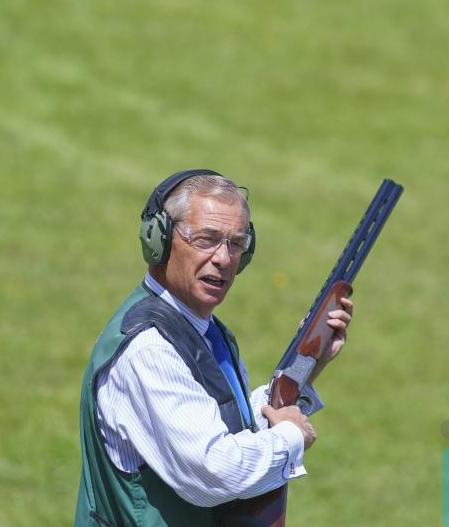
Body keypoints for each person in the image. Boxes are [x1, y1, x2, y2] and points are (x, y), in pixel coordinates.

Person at [74, 169, 353, 526]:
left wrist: (304, 367)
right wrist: (290, 436)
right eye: (205, 239)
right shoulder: (150, 348)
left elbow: (224, 425)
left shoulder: (202, 329)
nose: (223, 258)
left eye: (235, 244)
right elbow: (214, 471)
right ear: (157, 240)